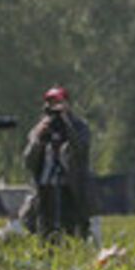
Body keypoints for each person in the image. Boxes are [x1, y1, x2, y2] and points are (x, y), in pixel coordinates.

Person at [19, 85, 93, 240]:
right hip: (44, 191)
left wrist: (67, 125)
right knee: (44, 236)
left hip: (70, 192)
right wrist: (38, 139)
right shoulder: (40, 129)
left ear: (68, 103)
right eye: (51, 103)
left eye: (59, 102)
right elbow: (28, 162)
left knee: (71, 236)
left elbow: (80, 152)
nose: (55, 107)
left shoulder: (79, 127)